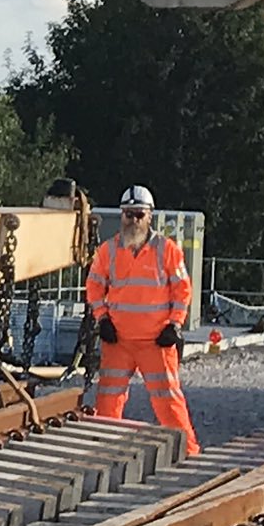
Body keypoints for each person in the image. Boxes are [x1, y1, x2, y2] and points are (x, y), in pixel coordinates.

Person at [84, 185, 200, 456]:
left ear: (149, 216)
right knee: (108, 402)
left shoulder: (167, 250)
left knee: (169, 401)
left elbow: (183, 289)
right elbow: (94, 287)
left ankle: (189, 453)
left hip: (156, 341)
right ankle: (105, 454)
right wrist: (103, 320)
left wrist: (174, 324)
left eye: (138, 214)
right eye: (128, 214)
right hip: (119, 341)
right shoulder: (108, 251)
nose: (132, 220)